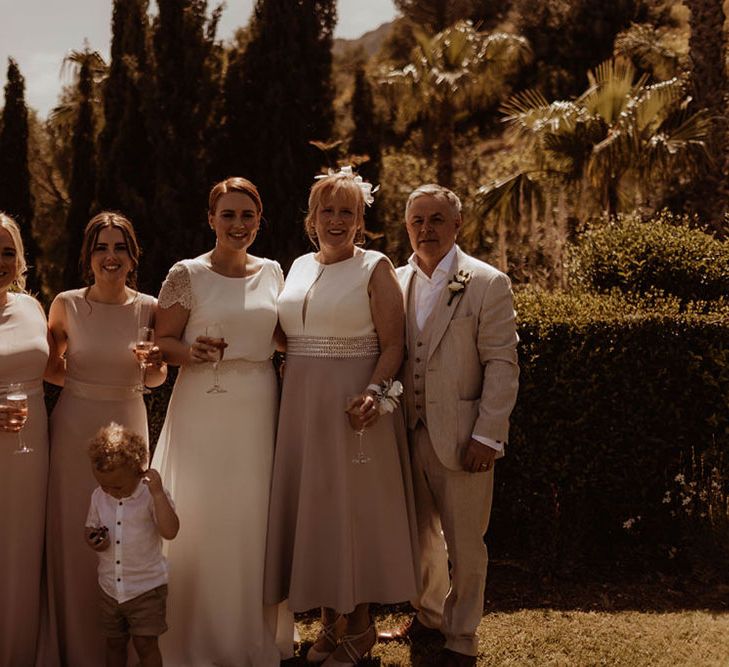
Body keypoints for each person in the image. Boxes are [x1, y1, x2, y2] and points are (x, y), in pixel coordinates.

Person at [264, 167, 419, 666]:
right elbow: (287, 331)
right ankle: (331, 623)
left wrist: (374, 392)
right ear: (312, 217)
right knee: (319, 510)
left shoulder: (376, 266)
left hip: (355, 405)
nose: (336, 220)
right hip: (302, 404)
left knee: (355, 511)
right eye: (327, 210)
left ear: (360, 221)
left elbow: (394, 343)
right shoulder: (298, 265)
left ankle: (361, 625)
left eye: (346, 212)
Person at [152, 176, 293, 666]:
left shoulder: (274, 271)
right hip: (201, 406)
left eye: (247, 215)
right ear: (210, 219)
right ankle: (194, 639)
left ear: (259, 221)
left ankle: (251, 639)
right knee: (201, 515)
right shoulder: (186, 274)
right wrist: (190, 352)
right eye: (228, 215)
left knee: (252, 516)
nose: (238, 224)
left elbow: (283, 336)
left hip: (257, 404)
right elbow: (161, 342)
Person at [382, 184, 519, 666]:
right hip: (404, 431)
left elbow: (502, 364)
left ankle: (461, 639)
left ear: (457, 225)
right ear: (407, 226)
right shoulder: (393, 281)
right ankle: (429, 615)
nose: (427, 229)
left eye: (437, 219)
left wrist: (487, 434)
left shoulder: (486, 282)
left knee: (466, 542)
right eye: (418, 220)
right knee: (420, 535)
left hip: (464, 436)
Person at [40, 212, 166, 667]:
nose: (110, 257)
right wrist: (84, 382)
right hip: (74, 427)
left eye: (120, 248)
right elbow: (51, 369)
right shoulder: (65, 305)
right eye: (101, 247)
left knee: (129, 533)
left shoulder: (150, 306)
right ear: (87, 256)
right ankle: (76, 647)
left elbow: (155, 379)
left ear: (133, 257)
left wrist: (152, 363)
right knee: (78, 535)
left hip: (130, 423)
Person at [85, 422, 179, 667]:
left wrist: (158, 494)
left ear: (139, 472)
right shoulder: (99, 496)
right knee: (114, 643)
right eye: (103, 484)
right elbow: (90, 528)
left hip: (146, 589)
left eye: (116, 486)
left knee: (146, 644)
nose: (109, 491)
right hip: (109, 589)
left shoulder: (151, 495)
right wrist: (94, 539)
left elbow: (170, 531)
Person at [0, 213, 49, 666]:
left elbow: (57, 368)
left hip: (31, 450)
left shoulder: (32, 307)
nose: (0, 261)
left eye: (7, 251)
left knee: (21, 548)